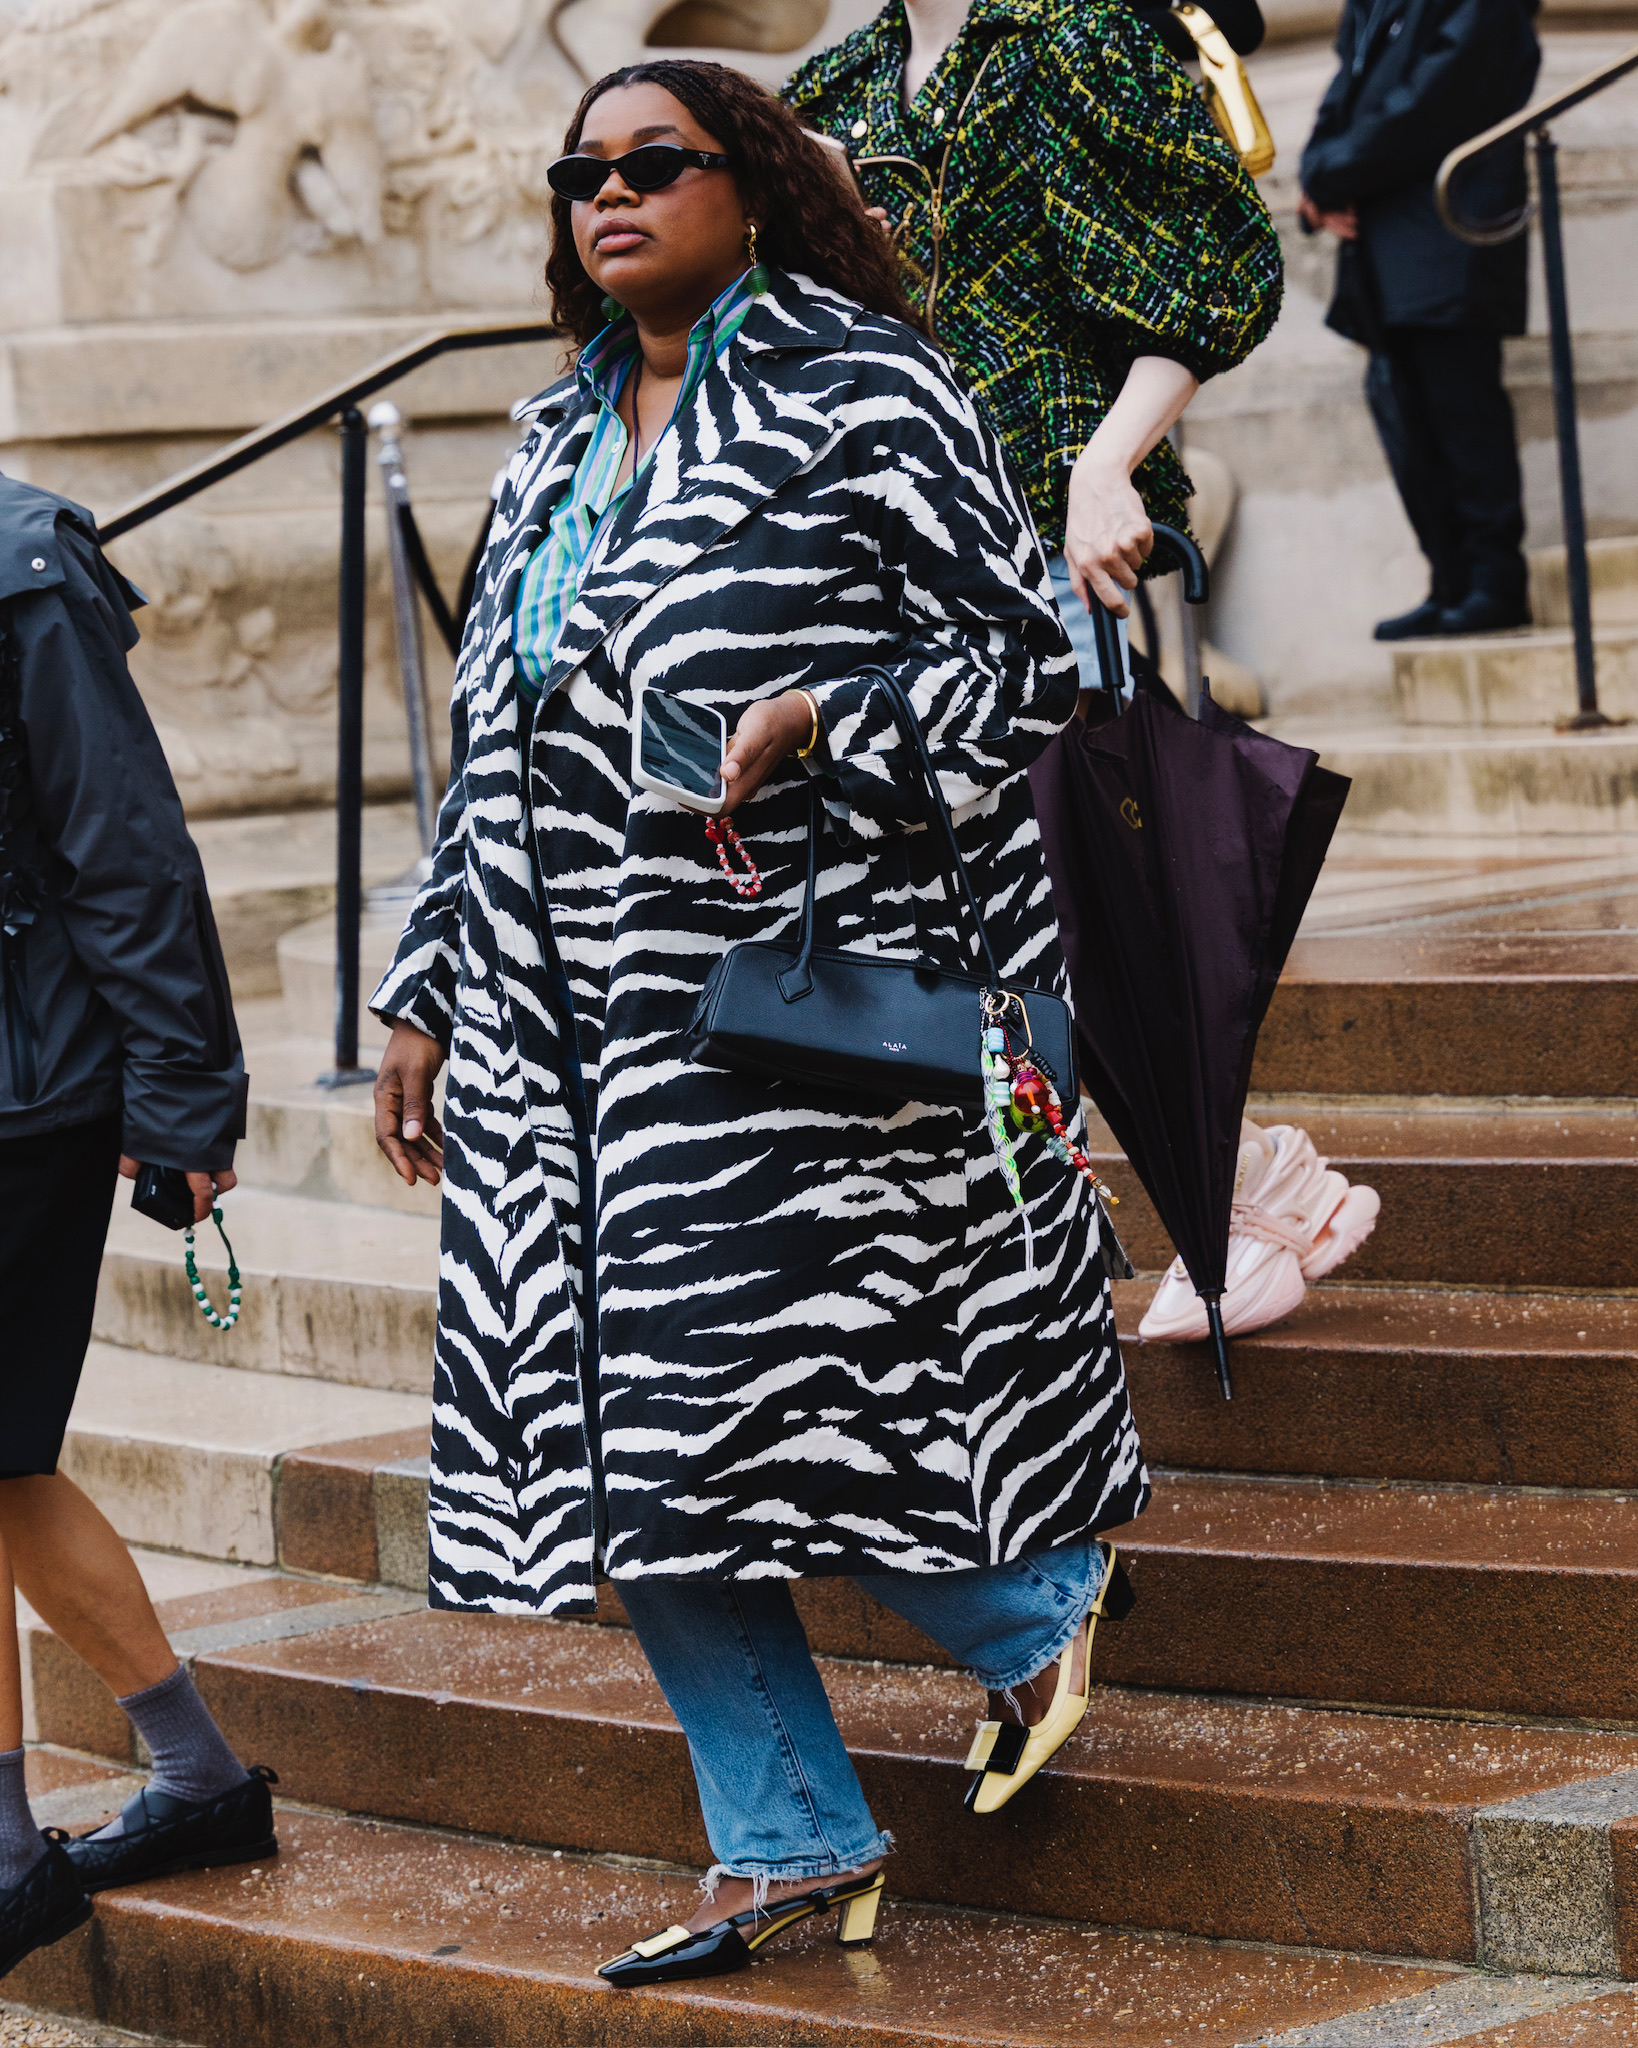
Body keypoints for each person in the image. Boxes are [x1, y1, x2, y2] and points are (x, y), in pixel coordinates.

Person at [370, 57, 1148, 1988]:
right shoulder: (550, 439)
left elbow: (1037, 666)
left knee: (735, 1400)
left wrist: (824, 723)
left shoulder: (857, 390)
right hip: (562, 1048)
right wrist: (423, 983)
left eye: (654, 162)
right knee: (632, 1441)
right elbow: (493, 741)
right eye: (581, 173)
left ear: (754, 181)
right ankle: (792, 1838)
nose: (607, 194)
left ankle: (1027, 1603)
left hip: (772, 1023)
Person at [0, 476, 275, 1982]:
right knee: (6, 1464)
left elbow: (125, 845)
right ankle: (199, 1777)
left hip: (28, 1086)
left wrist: (181, 1100)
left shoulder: (24, 563)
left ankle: (8, 1857)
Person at [783, 0, 1283, 695]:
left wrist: (1104, 468)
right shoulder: (830, 87)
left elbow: (1205, 276)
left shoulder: (1073, 40)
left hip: (1038, 503)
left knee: (1068, 771)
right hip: (874, 523)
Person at [1299, 0, 1541, 640]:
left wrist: (1330, 172)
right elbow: (1346, 87)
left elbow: (1433, 101)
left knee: (1462, 413)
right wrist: (1315, 175)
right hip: (1382, 239)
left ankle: (1494, 583)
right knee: (1404, 413)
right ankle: (1451, 579)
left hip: (1449, 230)